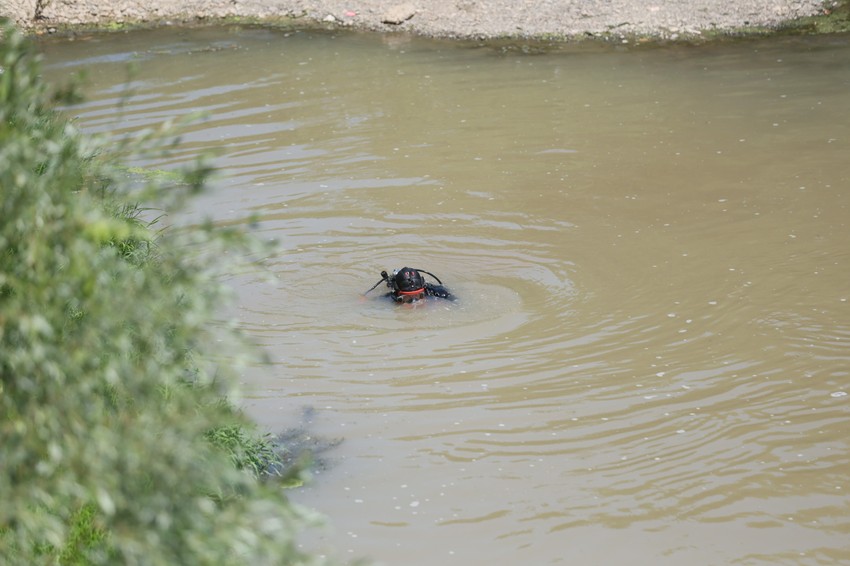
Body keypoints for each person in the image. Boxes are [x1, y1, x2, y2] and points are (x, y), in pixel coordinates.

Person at [364, 267, 455, 303]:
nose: (415, 302)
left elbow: (452, 298)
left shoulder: (430, 290)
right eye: (407, 298)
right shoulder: (392, 297)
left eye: (420, 296)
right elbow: (372, 301)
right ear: (398, 294)